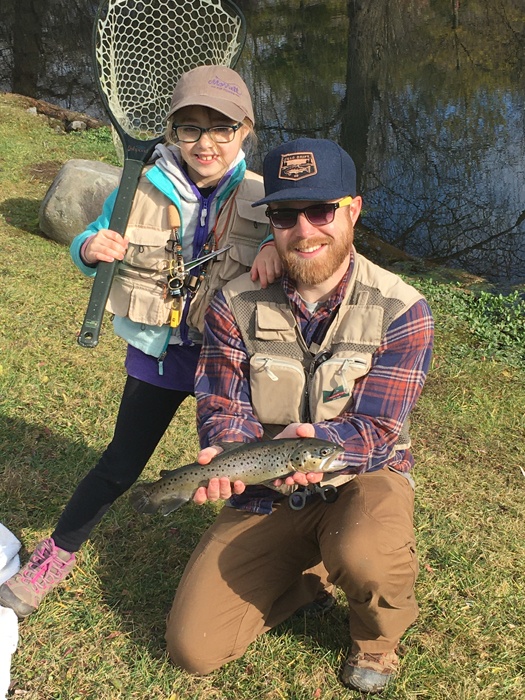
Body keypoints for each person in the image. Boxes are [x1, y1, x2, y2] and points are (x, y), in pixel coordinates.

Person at [0, 65, 281, 619]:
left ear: (245, 131)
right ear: (171, 131)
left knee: (254, 466)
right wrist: (88, 247)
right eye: (190, 128)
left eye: (222, 128)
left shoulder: (264, 196)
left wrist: (277, 248)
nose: (206, 143)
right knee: (119, 465)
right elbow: (90, 238)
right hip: (158, 356)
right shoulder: (138, 185)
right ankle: (54, 556)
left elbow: (300, 250)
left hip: (231, 363)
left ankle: (275, 563)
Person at [163, 138, 434, 694]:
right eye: (286, 215)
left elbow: (379, 429)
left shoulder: (402, 308)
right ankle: (309, 574)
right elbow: (222, 405)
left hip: (364, 475)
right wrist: (225, 455)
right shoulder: (233, 303)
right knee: (193, 648)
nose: (304, 230)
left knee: (367, 556)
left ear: (352, 210)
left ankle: (376, 641)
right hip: (266, 483)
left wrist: (322, 441)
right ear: (271, 225)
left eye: (321, 210)